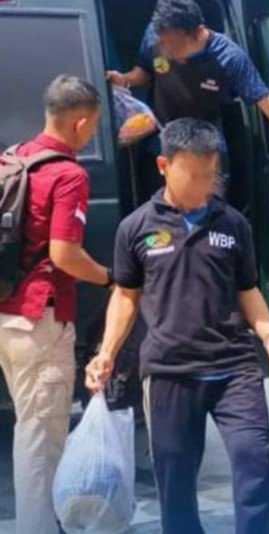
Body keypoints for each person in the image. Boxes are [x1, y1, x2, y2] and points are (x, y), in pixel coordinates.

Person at [84, 118, 269, 534]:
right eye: (193, 175)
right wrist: (106, 353)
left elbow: (248, 290)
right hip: (169, 371)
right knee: (175, 479)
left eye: (210, 175)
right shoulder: (136, 228)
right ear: (164, 166)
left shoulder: (232, 225)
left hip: (235, 367)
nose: (204, 185)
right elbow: (126, 295)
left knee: (253, 461)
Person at [0, 75, 113, 534]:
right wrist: (110, 277)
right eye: (94, 125)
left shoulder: (13, 158)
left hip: (8, 317)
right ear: (81, 123)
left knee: (30, 428)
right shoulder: (69, 174)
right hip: (41, 322)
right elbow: (65, 254)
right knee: (41, 442)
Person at [106, 0, 269, 191]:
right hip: (163, 135)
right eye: (162, 43)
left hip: (205, 140)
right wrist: (124, 79)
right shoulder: (156, 35)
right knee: (164, 211)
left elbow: (267, 102)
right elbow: (144, 72)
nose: (165, 49)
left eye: (173, 45)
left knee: (209, 207)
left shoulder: (228, 57)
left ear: (198, 33)